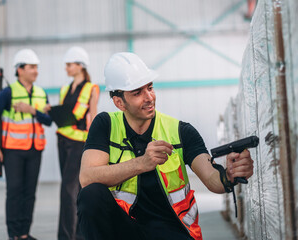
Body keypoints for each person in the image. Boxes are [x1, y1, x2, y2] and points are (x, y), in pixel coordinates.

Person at [77, 52, 254, 240]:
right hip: (127, 229)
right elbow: (87, 178)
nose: (149, 97)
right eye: (137, 92)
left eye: (150, 88)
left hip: (172, 230)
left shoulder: (181, 131)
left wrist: (228, 175)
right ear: (119, 102)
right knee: (91, 195)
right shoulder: (105, 125)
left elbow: (211, 178)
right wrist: (141, 163)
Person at [0, 49, 52, 240]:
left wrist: (32, 110)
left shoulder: (41, 93)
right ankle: (13, 234)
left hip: (35, 149)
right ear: (19, 70)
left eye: (36, 67)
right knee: (14, 192)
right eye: (31, 67)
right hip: (12, 150)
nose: (35, 71)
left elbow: (47, 121)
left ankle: (24, 233)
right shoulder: (8, 93)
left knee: (30, 193)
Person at [45, 46, 99, 240]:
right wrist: (52, 110)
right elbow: (65, 116)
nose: (66, 68)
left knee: (69, 190)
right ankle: (78, 235)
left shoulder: (91, 88)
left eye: (69, 64)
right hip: (63, 140)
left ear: (80, 66)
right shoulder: (65, 89)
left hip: (79, 144)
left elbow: (92, 118)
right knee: (72, 189)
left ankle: (68, 236)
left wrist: (93, 146)